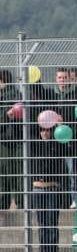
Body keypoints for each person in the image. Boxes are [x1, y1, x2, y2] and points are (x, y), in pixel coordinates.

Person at [30, 126, 69, 252]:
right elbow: (17, 136)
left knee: (52, 222)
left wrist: (60, 125)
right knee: (42, 224)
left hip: (52, 188)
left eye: (48, 130)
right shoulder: (34, 144)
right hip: (38, 188)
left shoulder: (56, 144)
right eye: (42, 130)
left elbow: (67, 146)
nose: (45, 133)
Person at [1, 69, 22, 215]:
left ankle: (4, 206)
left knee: (8, 175)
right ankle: (20, 204)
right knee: (16, 173)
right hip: (14, 140)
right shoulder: (18, 95)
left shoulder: (13, 96)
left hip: (7, 141)